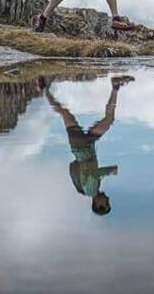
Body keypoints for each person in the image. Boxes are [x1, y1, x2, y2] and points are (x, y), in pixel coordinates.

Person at [47, 75, 131, 216]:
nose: (108, 199)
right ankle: (45, 90)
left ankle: (115, 87)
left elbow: (92, 174)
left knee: (105, 119)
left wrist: (110, 171)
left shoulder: (91, 190)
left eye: (106, 203)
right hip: (82, 146)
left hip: (82, 146)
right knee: (66, 113)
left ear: (98, 204)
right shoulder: (91, 190)